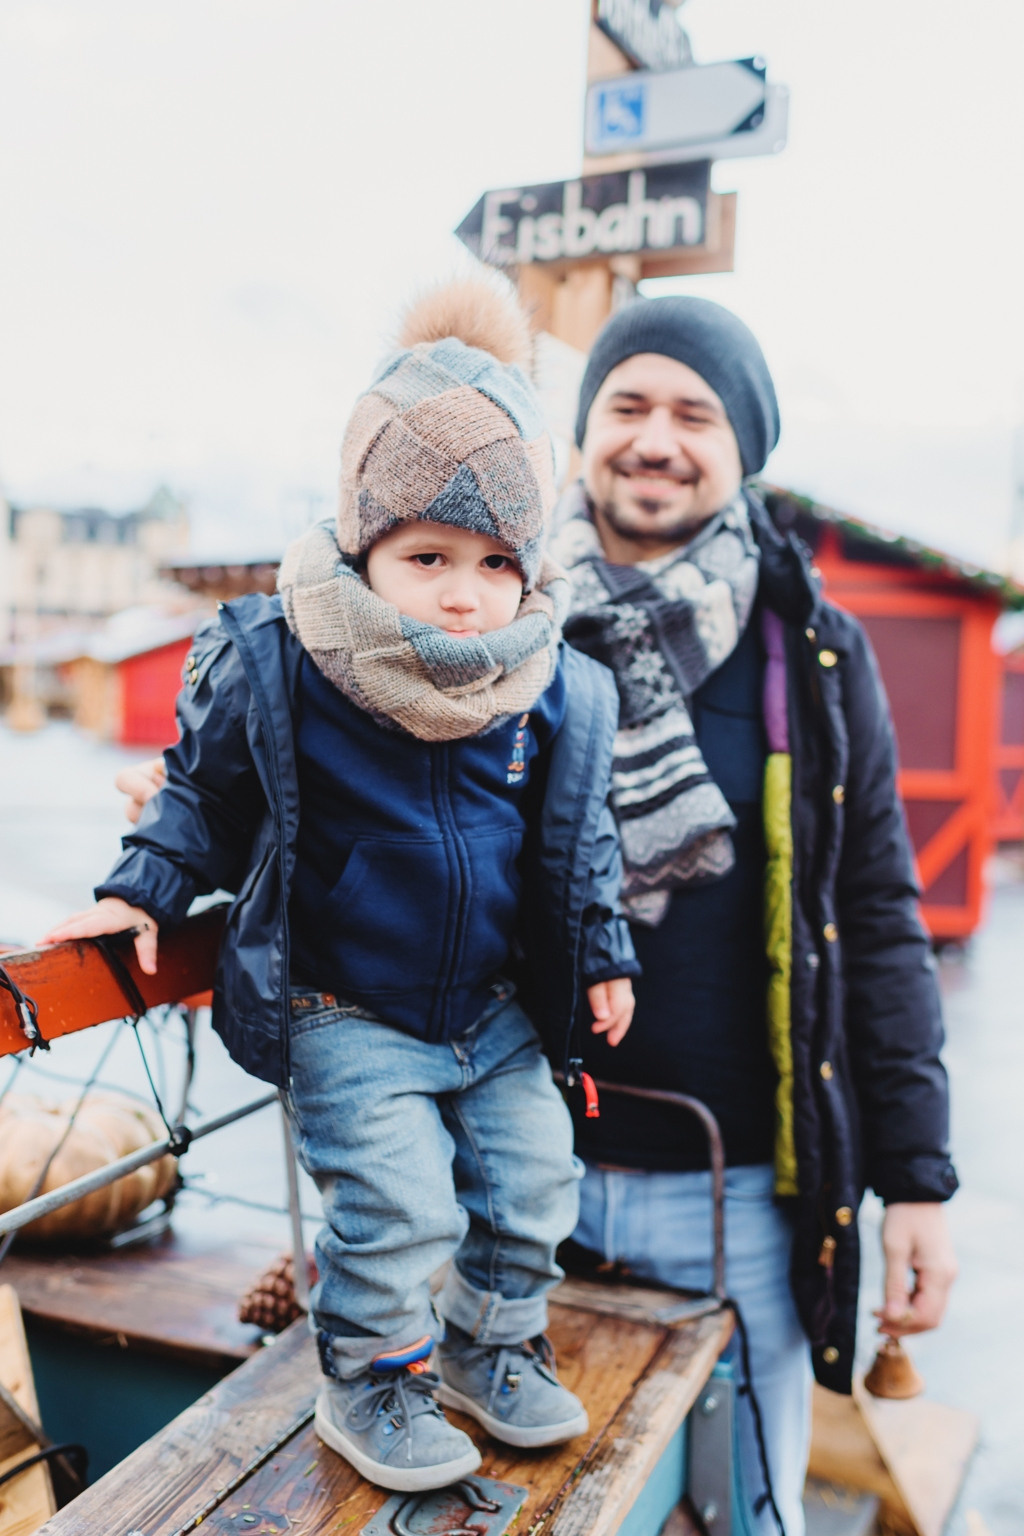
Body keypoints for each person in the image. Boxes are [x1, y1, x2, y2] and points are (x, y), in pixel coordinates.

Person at [42, 277, 638, 1496]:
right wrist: (140, 891)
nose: (462, 593)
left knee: (534, 1182)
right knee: (400, 1205)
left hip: (495, 1009)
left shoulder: (545, 686)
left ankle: (491, 1345)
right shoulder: (289, 658)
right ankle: (370, 1376)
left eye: (491, 562)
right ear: (366, 544)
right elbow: (202, 796)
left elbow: (578, 842)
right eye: (425, 556)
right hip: (348, 1004)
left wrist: (605, 949)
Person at [543, 295, 958, 1535]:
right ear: (584, 432)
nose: (654, 439)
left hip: (738, 1191)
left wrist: (918, 1183)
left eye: (693, 413)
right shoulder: (486, 617)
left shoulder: (811, 651)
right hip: (510, 1163)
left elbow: (879, 915)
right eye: (626, 405)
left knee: (741, 1508)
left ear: (744, 450)